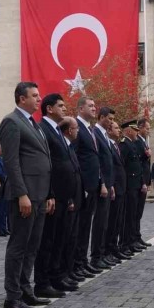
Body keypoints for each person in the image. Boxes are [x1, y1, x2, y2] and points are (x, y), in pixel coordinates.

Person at [0, 81, 54, 308]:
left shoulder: (34, 123)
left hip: (40, 194)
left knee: (32, 246)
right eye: (35, 95)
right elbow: (11, 162)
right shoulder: (12, 122)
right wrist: (21, 193)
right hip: (25, 196)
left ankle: (25, 290)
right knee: (19, 246)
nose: (39, 99)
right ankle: (12, 297)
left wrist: (49, 193)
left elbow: (44, 159)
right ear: (22, 98)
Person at [36, 93, 81, 297]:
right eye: (60, 105)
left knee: (59, 239)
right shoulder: (43, 129)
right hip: (53, 196)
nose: (64, 108)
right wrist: (49, 194)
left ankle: (56, 276)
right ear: (49, 109)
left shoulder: (55, 130)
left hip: (64, 196)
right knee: (48, 240)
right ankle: (43, 282)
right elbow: (48, 166)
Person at [72, 96, 104, 280]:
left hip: (93, 184)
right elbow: (75, 156)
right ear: (80, 108)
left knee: (86, 226)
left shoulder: (90, 129)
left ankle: (83, 261)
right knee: (80, 226)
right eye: (90, 106)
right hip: (83, 185)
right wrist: (81, 184)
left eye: (94, 105)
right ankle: (77, 263)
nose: (94, 108)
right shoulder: (76, 127)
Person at [58, 117, 89, 284]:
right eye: (76, 128)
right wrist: (70, 197)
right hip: (68, 198)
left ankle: (69, 271)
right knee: (66, 237)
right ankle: (63, 273)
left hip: (76, 196)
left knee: (73, 236)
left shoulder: (69, 146)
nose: (78, 131)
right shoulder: (63, 146)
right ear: (69, 130)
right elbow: (63, 173)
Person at [90, 106, 117, 271]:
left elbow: (109, 163)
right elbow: (98, 162)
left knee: (105, 222)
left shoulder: (105, 135)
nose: (112, 122)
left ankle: (102, 254)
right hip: (101, 186)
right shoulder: (95, 133)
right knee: (99, 222)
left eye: (113, 120)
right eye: (110, 119)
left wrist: (111, 184)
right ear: (101, 117)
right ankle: (96, 256)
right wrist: (103, 183)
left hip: (108, 184)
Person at [105, 120, 131, 261]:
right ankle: (108, 250)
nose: (119, 130)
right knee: (112, 221)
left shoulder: (116, 145)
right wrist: (112, 185)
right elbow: (111, 168)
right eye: (116, 128)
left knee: (118, 221)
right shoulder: (109, 145)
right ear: (109, 131)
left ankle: (114, 248)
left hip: (121, 188)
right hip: (115, 188)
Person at [119, 120, 145, 255]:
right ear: (129, 131)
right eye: (135, 130)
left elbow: (137, 166)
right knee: (128, 216)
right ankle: (125, 244)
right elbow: (122, 166)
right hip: (129, 186)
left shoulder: (131, 144)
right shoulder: (124, 145)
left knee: (133, 215)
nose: (137, 133)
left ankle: (131, 242)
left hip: (135, 185)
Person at [133, 118, 152, 249]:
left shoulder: (143, 141)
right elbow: (139, 163)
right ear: (140, 127)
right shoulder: (137, 141)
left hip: (143, 180)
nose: (148, 130)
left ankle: (137, 236)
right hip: (139, 181)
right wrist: (143, 182)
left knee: (139, 212)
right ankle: (133, 238)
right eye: (147, 128)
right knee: (135, 212)